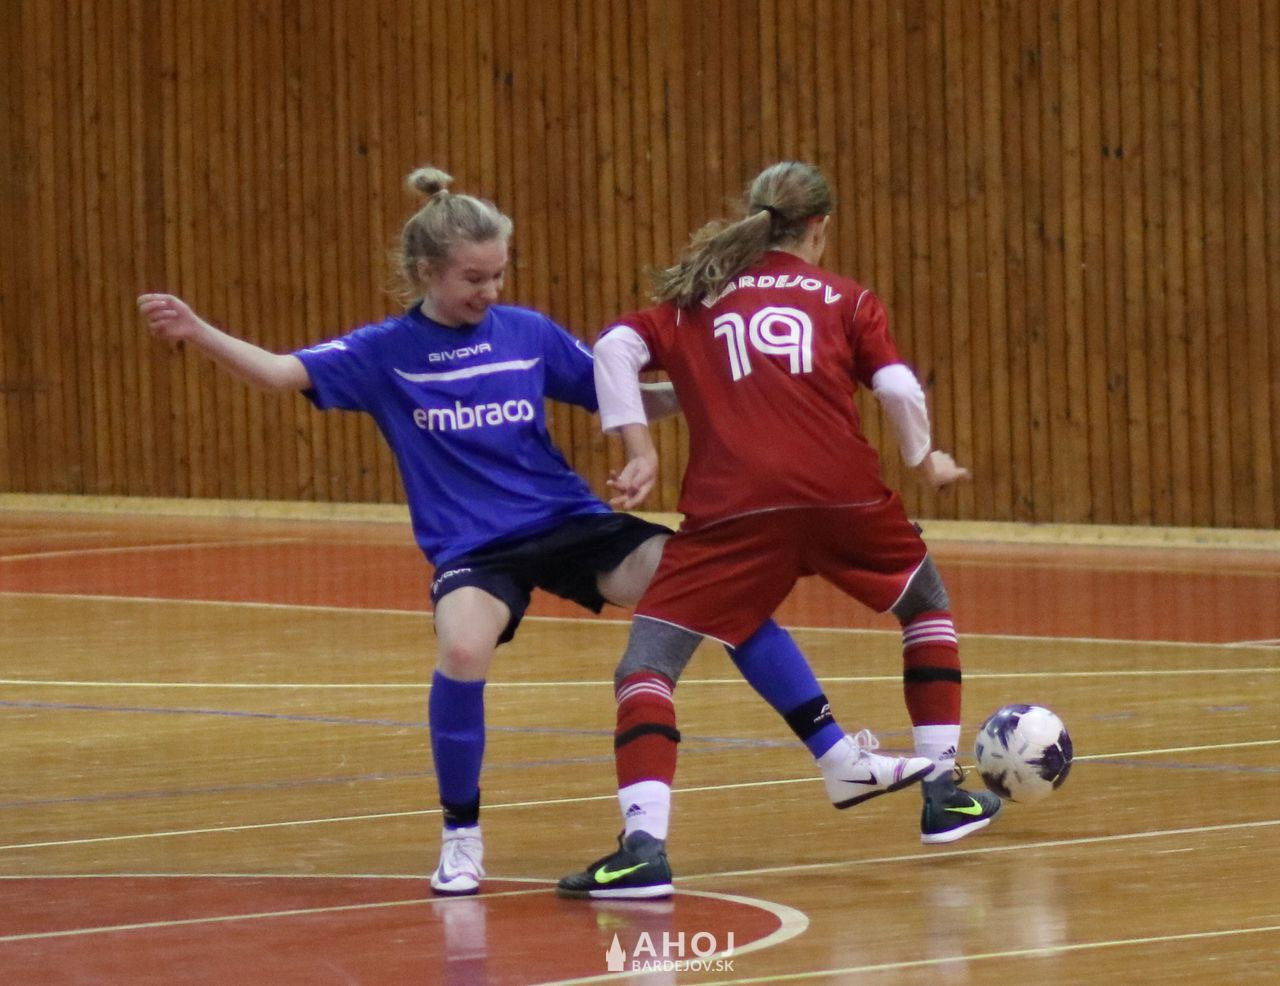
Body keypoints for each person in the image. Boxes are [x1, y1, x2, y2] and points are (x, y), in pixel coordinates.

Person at [137, 164, 927, 899]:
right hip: (475, 548)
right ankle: (461, 837)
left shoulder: (526, 332)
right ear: (426, 273)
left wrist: (710, 387)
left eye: (498, 275)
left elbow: (622, 392)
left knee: (714, 589)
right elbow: (281, 372)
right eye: (472, 279)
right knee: (462, 650)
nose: (489, 291)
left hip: (568, 522)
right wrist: (198, 330)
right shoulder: (383, 353)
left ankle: (839, 757)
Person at [558, 161, 1001, 901]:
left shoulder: (695, 299)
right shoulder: (847, 298)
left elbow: (612, 350)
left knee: (647, 667)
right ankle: (944, 793)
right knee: (924, 605)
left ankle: (643, 848)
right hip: (843, 498)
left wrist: (639, 449)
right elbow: (896, 386)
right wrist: (925, 460)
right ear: (819, 227)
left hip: (735, 508)